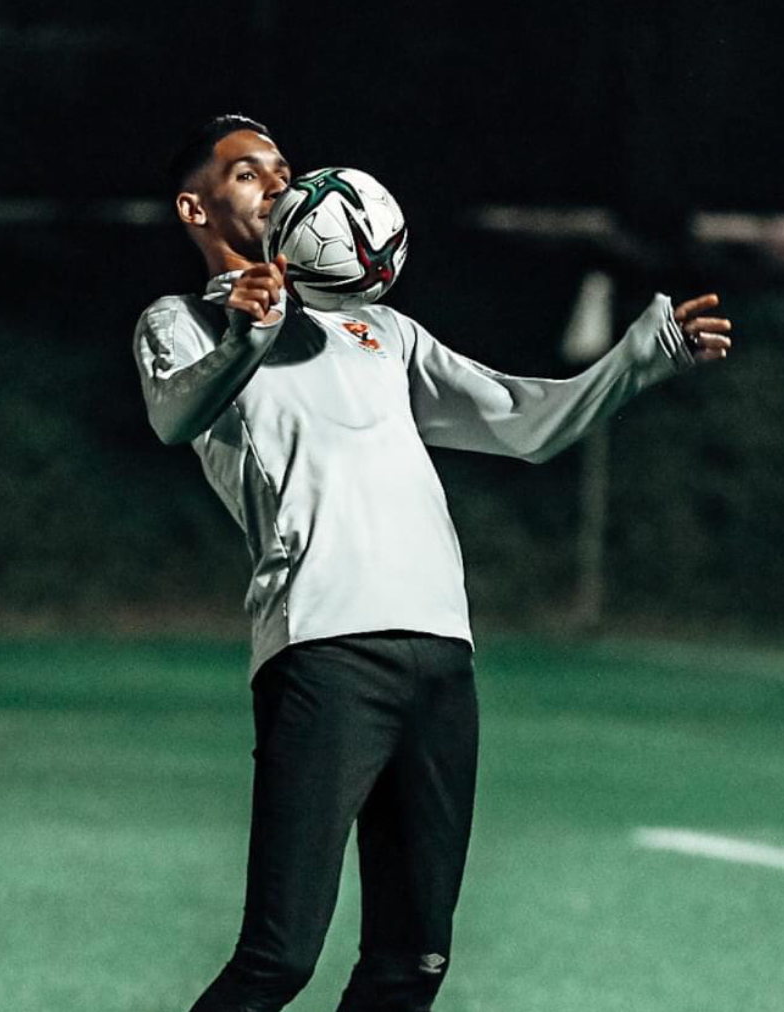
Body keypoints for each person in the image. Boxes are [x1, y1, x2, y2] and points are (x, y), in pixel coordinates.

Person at [134, 114, 733, 1012]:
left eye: (283, 167)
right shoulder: (183, 321)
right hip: (324, 649)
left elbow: (525, 424)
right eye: (249, 173)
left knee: (412, 963)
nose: (279, 183)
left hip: (442, 652)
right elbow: (174, 415)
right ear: (196, 208)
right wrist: (246, 338)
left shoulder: (383, 332)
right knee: (278, 959)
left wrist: (639, 362)